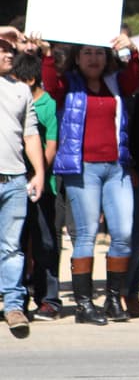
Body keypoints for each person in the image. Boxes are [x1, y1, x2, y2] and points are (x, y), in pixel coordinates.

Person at [40, 33, 139, 325]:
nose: (93, 58)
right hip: (83, 169)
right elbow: (50, 83)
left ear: (107, 56)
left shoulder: (115, 83)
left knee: (122, 234)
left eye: (99, 52)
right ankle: (84, 306)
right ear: (77, 57)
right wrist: (47, 53)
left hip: (116, 168)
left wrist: (131, 51)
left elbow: (133, 80)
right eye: (87, 52)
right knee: (85, 236)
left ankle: (113, 299)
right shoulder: (68, 84)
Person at [0, 37, 45, 333]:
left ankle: (14, 305)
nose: (6, 54)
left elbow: (30, 135)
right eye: (1, 49)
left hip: (15, 178)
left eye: (9, 49)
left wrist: (39, 172)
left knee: (12, 247)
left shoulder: (21, 90)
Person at [12, 53, 59, 322]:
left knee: (44, 242)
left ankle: (48, 299)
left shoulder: (47, 105)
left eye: (16, 81)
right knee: (14, 243)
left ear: (30, 80)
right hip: (13, 180)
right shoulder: (12, 101)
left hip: (41, 185)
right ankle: (16, 299)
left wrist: (38, 172)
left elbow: (50, 143)